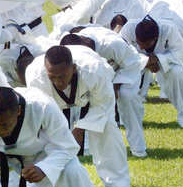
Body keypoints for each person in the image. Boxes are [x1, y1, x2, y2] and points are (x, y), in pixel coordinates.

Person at [26, 45, 135, 187]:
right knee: (43, 135)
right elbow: (41, 114)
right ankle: (47, 183)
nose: (58, 82)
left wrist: (80, 128)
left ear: (74, 68)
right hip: (54, 102)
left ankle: (119, 184)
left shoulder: (94, 70)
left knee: (107, 128)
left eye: (62, 76)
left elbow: (103, 105)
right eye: (53, 77)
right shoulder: (36, 76)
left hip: (93, 95)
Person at [60, 26, 147, 157]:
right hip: (98, 73)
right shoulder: (69, 44)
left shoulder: (112, 44)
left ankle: (139, 149)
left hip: (126, 69)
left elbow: (133, 64)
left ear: (87, 45)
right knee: (89, 101)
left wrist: (116, 85)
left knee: (127, 97)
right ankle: (89, 149)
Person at [120, 16, 183, 128]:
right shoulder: (128, 29)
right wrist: (146, 61)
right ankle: (127, 119)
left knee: (177, 72)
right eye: (138, 43)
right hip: (135, 61)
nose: (141, 46)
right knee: (125, 79)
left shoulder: (169, 29)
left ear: (155, 38)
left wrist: (159, 59)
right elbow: (121, 53)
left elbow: (181, 53)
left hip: (166, 61)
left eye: (145, 44)